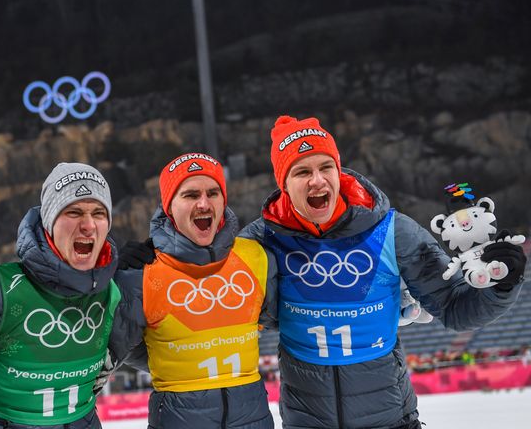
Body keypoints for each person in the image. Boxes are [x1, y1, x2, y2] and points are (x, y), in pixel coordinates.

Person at [240, 115, 527, 428]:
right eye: (302, 172)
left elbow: (457, 308)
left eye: (326, 167)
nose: (317, 180)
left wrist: (503, 283)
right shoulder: (260, 242)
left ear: (338, 171)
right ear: (283, 184)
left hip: (391, 420)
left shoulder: (392, 231)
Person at [110, 153, 278, 429]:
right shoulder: (142, 272)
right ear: (169, 207)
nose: (204, 203)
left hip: (254, 418)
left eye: (213, 193)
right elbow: (122, 347)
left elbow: (271, 316)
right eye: (190, 195)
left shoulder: (255, 257)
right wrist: (172, 361)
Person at [0, 163, 120, 429]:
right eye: (73, 212)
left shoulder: (114, 291)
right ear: (49, 222)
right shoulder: (1, 287)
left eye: (99, 213)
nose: (88, 225)